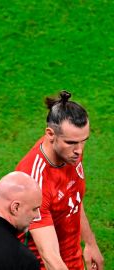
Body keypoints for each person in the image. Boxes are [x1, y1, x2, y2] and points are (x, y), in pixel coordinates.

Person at [16, 90, 104, 270]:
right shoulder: (35, 182)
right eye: (72, 143)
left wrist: (90, 243)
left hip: (72, 259)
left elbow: (73, 199)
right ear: (50, 134)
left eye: (84, 141)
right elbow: (49, 256)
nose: (79, 150)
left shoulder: (71, 152)